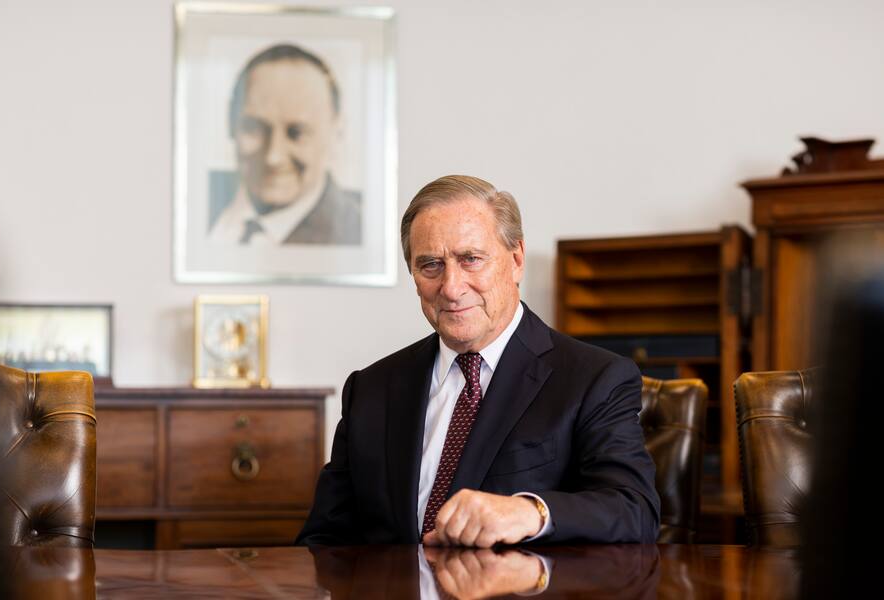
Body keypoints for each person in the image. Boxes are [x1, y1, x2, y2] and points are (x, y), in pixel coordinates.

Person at [297, 175, 659, 547]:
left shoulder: (594, 379)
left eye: (470, 259)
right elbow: (323, 541)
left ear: (516, 260)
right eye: (431, 265)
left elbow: (634, 510)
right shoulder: (371, 389)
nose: (452, 288)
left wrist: (530, 512)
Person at [208, 44, 361, 245]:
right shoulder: (194, 202)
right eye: (255, 128)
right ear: (230, 123)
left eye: (297, 133)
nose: (273, 157)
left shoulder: (358, 230)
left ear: (337, 134)